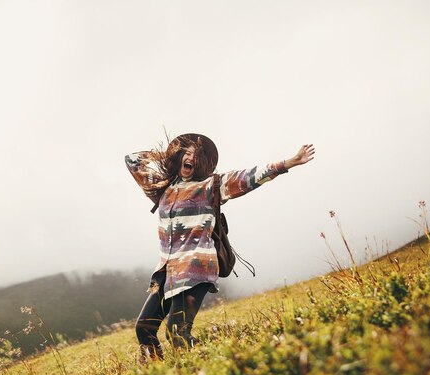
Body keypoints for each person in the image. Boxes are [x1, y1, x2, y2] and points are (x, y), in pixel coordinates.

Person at [125, 133, 315, 361]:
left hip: (196, 269)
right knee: (144, 328)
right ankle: (155, 373)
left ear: (202, 162)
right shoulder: (162, 189)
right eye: (185, 154)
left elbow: (248, 177)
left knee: (177, 332)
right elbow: (132, 160)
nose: (190, 158)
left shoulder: (211, 186)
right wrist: (167, 154)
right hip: (166, 272)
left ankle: (199, 369)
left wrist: (287, 163)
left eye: (195, 156)